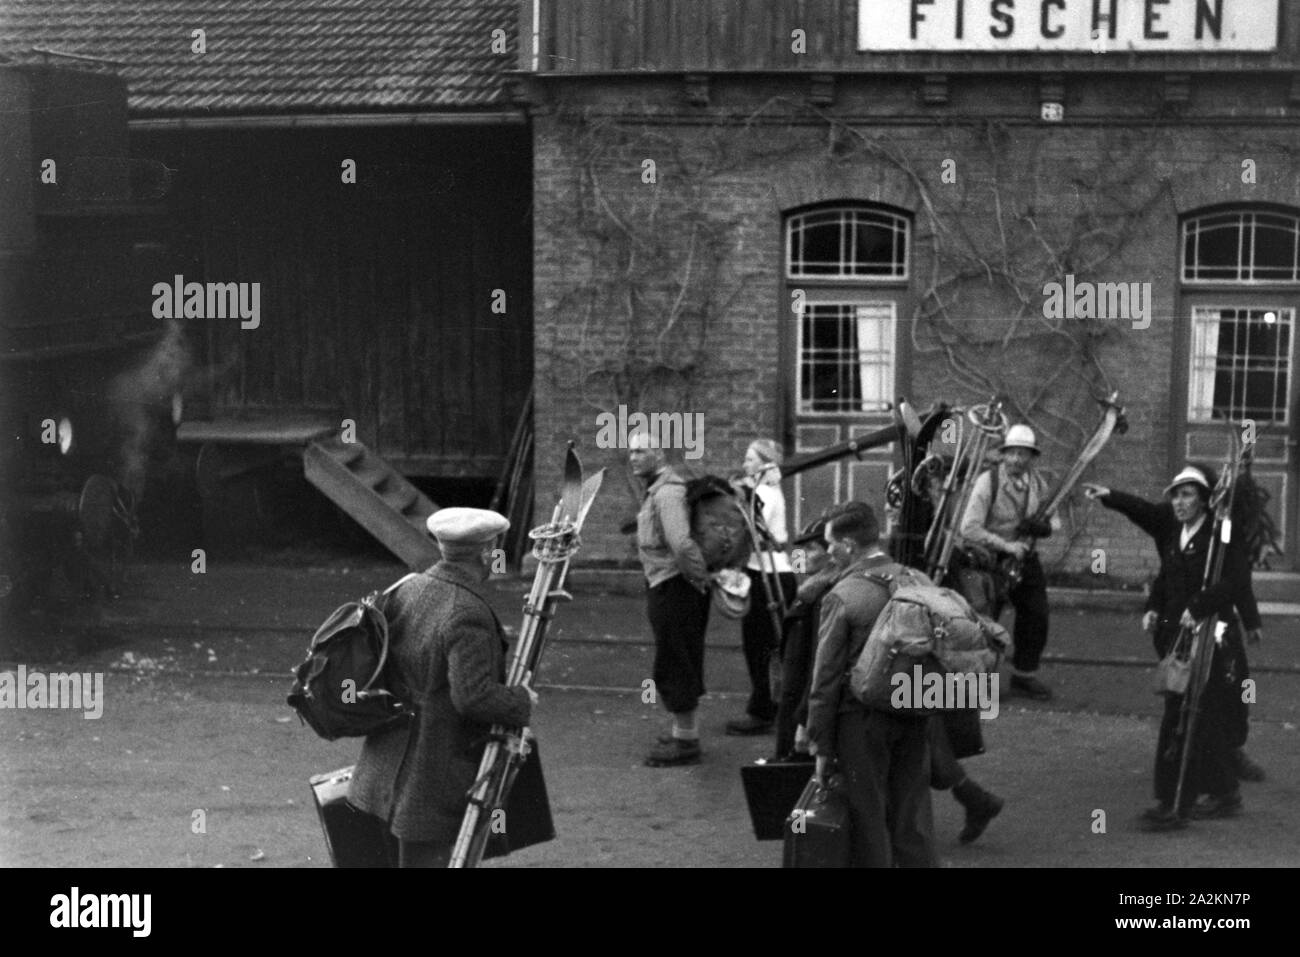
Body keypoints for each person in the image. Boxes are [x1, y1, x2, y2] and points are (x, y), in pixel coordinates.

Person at [349, 507, 536, 868]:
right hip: (432, 776)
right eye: (496, 549)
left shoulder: (409, 588)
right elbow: (473, 697)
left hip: (387, 767)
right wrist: (520, 700)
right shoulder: (467, 612)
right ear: (486, 554)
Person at [1083, 467, 1258, 825]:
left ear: (1205, 498)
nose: (1179, 502)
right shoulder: (1173, 529)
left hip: (1212, 637)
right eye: (1175, 495)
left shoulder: (1220, 535)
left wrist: (1203, 606)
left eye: (1188, 494)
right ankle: (1225, 792)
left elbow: (1237, 581)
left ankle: (1172, 802)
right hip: (1176, 636)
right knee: (1199, 716)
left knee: (1184, 715)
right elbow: (1164, 571)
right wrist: (1152, 608)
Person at [807, 505, 936, 867]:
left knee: (869, 819)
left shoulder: (843, 594)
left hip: (860, 720)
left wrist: (821, 745)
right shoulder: (919, 581)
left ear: (848, 545)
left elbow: (825, 678)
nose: (828, 550)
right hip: (913, 710)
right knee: (912, 820)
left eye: (831, 543)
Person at [629, 431, 713, 767]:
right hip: (669, 585)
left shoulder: (666, 494)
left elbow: (680, 544)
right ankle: (683, 734)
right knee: (678, 658)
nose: (634, 457)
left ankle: (686, 745)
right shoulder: (659, 491)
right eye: (631, 451)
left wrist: (697, 578)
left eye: (642, 451)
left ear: (659, 455)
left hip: (674, 587)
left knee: (675, 661)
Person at [958, 423, 1060, 700]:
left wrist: (1044, 529)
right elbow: (969, 528)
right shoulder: (987, 482)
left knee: (1036, 617)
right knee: (986, 621)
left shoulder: (1038, 483)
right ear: (1004, 454)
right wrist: (1006, 545)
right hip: (989, 559)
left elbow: (1054, 520)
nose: (1016, 459)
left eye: (1023, 454)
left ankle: (1024, 677)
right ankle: (977, 683)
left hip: (1025, 558)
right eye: (1012, 453)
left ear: (1032, 457)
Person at [728, 439, 799, 736]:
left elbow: (754, 532)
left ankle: (765, 711)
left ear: (764, 464)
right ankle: (772, 705)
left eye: (750, 460)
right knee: (769, 645)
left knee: (762, 646)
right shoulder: (766, 491)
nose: (745, 464)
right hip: (768, 572)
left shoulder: (765, 494)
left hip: (770, 577)